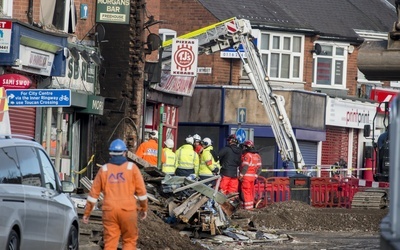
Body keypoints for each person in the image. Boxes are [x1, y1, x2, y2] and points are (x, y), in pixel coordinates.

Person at [82, 139, 148, 249]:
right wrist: (144, 209)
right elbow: (142, 193)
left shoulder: (104, 169)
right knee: (129, 240)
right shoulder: (132, 168)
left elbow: (93, 195)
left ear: (110, 153)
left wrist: (87, 213)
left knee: (110, 242)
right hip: (128, 210)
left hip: (109, 211)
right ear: (125, 153)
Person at [239, 140, 262, 210]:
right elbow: (260, 168)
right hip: (253, 178)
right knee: (251, 192)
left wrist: (241, 175)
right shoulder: (257, 156)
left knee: (245, 193)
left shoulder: (247, 155)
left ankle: (247, 209)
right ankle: (250, 207)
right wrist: (255, 176)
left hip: (246, 177)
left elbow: (245, 167)